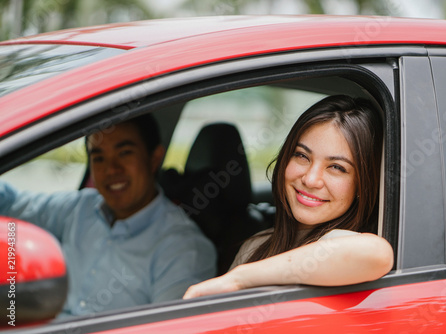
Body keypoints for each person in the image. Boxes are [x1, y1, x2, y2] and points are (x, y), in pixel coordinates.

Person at [0, 114, 216, 316]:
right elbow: (11, 204)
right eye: (99, 158)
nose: (111, 169)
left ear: (154, 158)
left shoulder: (184, 249)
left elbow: (173, 327)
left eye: (124, 153)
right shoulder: (79, 209)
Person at [183, 95, 393, 299]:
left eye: (337, 167)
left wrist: (239, 278)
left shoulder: (352, 246)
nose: (310, 179)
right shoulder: (257, 246)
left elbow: (377, 253)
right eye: (302, 155)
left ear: (362, 184)